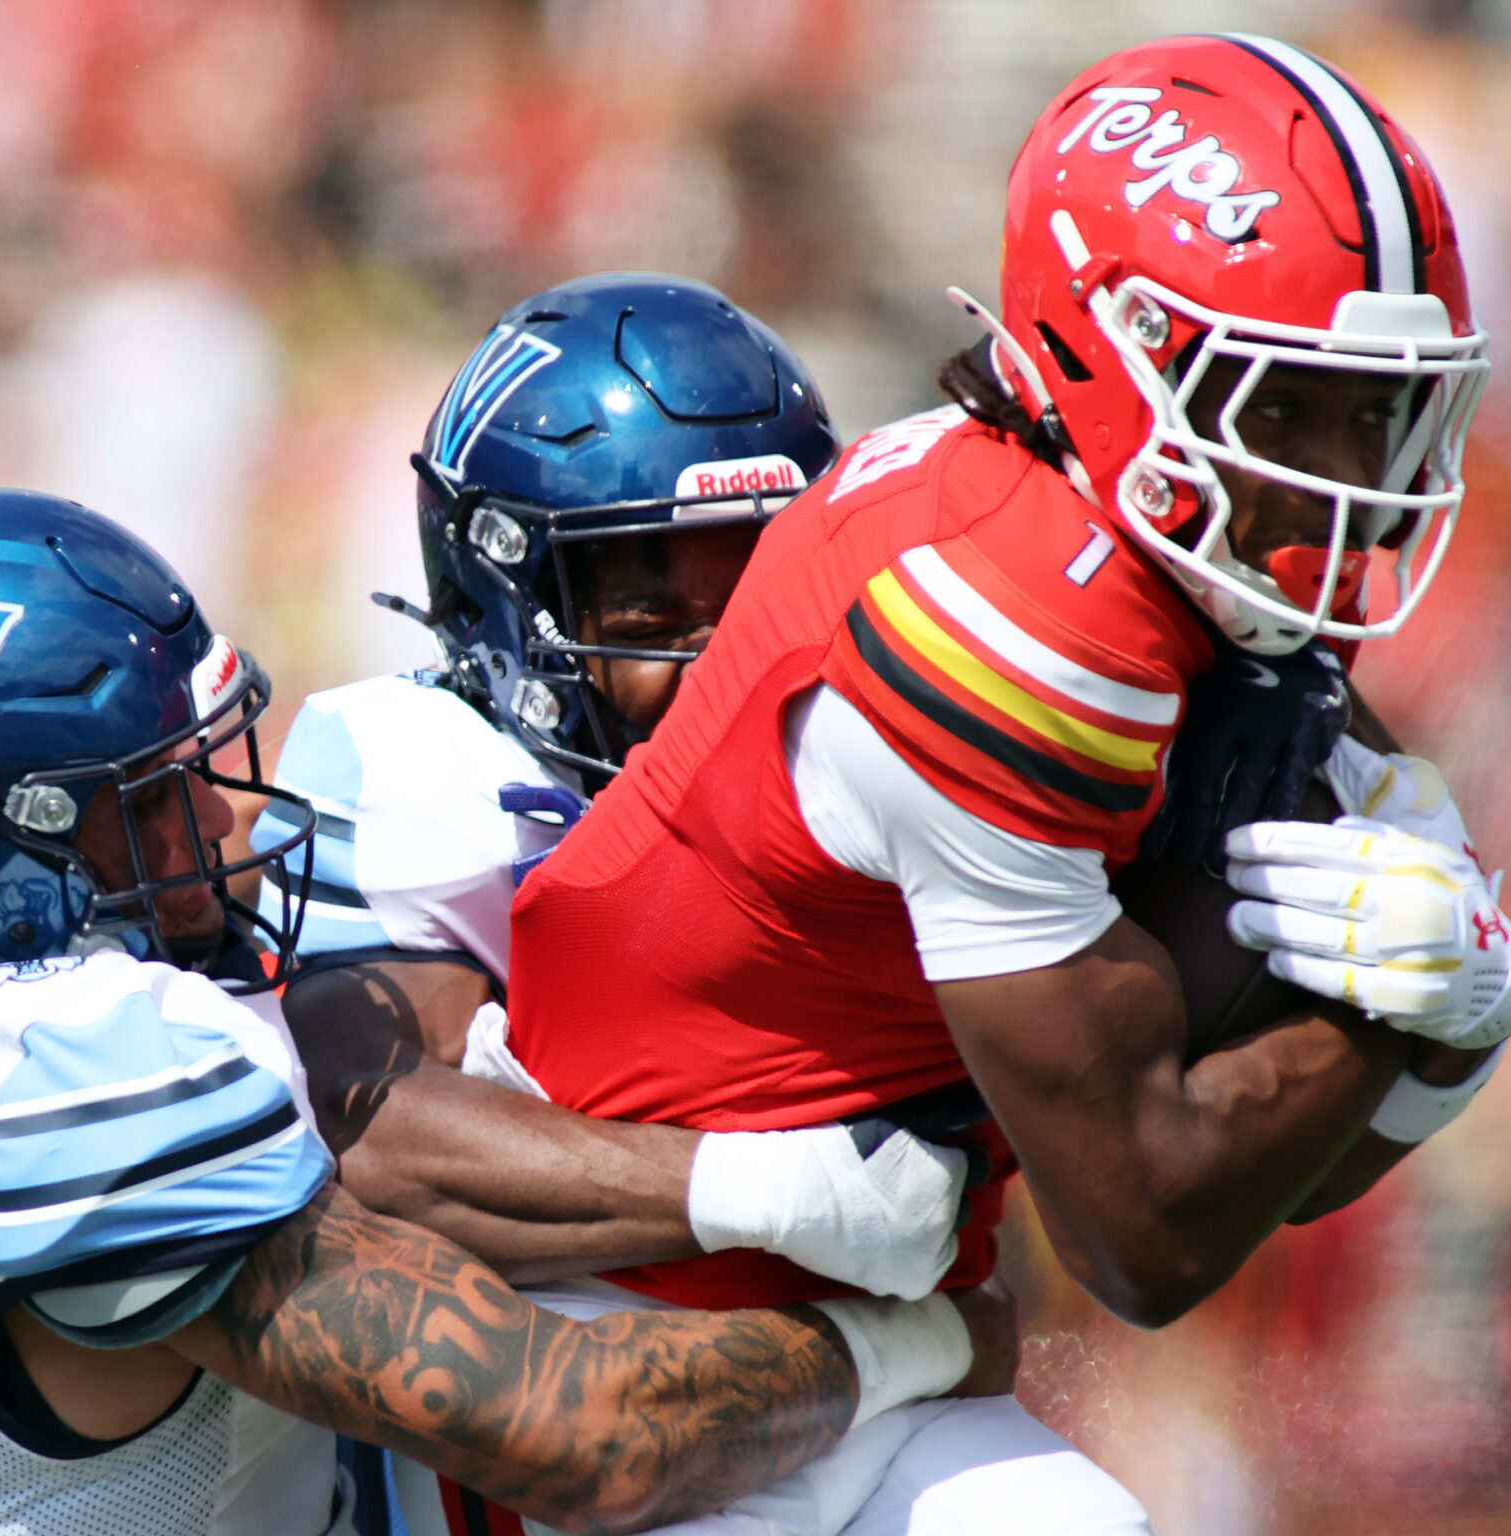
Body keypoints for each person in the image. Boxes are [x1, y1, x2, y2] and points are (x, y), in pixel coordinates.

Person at [494, 33, 1511, 1530]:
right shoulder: (1014, 627)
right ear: (1106, 346)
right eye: (1285, 403)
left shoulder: (1141, 545)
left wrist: (1446, 1039)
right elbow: (1149, 1233)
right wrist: (1398, 1011)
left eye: (1380, 409)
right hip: (636, 1333)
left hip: (865, 1322)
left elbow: (1276, 1178)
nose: (1346, 472)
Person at [0, 486, 1013, 1536]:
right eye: (148, 799)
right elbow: (584, 1438)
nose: (221, 823)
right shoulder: (68, 1083)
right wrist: (931, 1336)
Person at [255, 275, 1066, 1534]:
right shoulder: (421, 763)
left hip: (867, 1405)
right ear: (506, 598)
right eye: (647, 612)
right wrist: (785, 1192)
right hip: (591, 1451)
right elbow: (368, 1147)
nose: (717, 659)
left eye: (752, 595)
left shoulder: (867, 751)